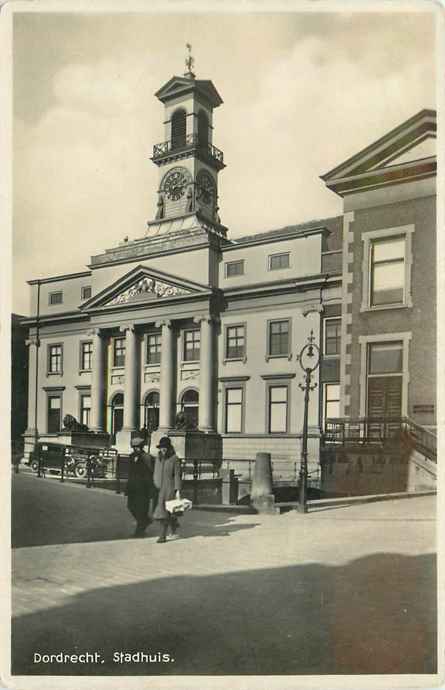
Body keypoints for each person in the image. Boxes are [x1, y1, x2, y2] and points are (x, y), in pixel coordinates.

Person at [125, 436, 157, 538]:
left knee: (142, 509)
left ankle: (139, 531)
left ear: (142, 447)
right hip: (133, 487)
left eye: (138, 447)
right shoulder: (131, 457)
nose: (136, 449)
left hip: (144, 488)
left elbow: (151, 473)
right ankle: (145, 521)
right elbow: (130, 473)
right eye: (134, 447)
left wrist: (151, 488)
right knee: (130, 506)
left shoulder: (148, 457)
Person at [153, 436, 182, 543]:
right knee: (164, 512)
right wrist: (154, 484)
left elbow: (177, 476)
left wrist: (177, 490)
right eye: (161, 447)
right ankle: (174, 523)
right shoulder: (158, 458)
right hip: (158, 489)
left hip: (169, 489)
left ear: (169, 447)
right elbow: (155, 472)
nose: (163, 449)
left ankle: (162, 536)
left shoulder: (174, 459)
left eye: (165, 447)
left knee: (163, 513)